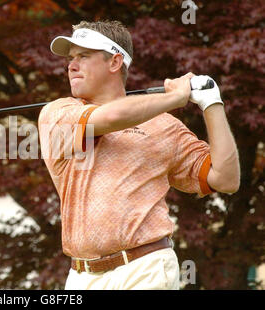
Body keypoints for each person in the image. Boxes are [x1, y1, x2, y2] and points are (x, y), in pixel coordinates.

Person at [38, 20, 240, 290]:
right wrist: (175, 98)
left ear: (115, 62)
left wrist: (212, 103)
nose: (71, 65)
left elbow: (226, 179)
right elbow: (112, 117)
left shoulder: (164, 126)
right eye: (71, 58)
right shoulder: (57, 114)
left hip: (146, 268)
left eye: (83, 56)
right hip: (81, 276)